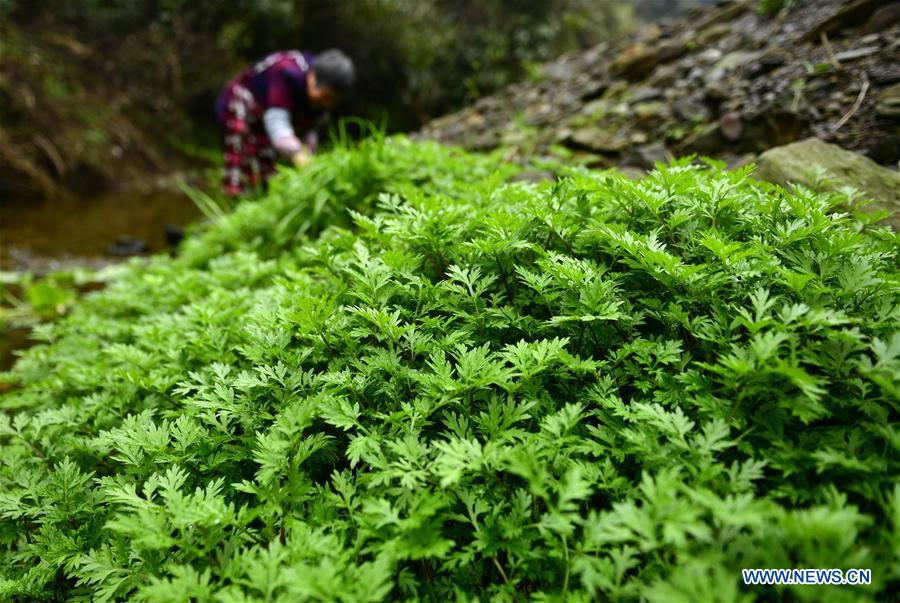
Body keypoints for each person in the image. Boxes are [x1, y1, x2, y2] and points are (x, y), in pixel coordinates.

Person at [215, 49, 355, 196]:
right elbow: (277, 123)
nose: (326, 103)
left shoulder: (320, 100)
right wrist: (299, 156)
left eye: (332, 100)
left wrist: (309, 156)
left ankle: (259, 200)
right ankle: (233, 200)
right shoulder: (287, 71)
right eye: (326, 95)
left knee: (266, 165)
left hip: (265, 116)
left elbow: (310, 130)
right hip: (240, 105)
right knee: (242, 156)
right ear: (312, 77)